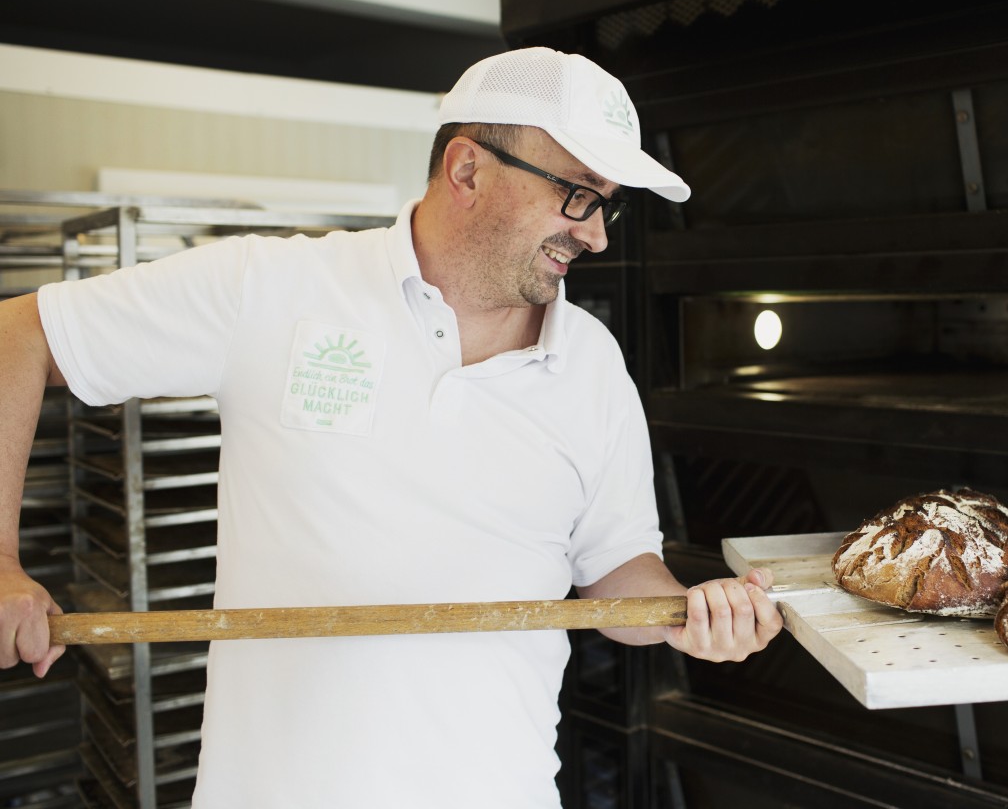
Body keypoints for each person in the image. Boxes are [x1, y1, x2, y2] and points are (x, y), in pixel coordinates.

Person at [0, 47, 783, 807]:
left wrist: (689, 616)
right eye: (577, 194)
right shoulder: (273, 289)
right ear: (468, 169)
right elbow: (19, 336)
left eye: (606, 203)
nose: (598, 233)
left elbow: (616, 567)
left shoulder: (593, 364)